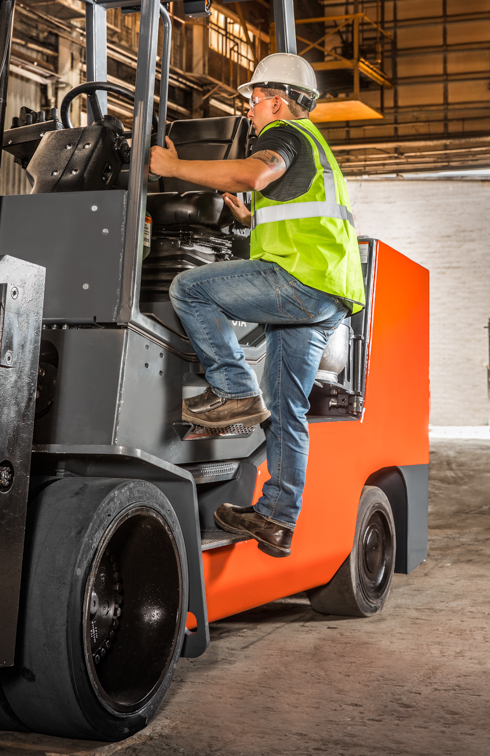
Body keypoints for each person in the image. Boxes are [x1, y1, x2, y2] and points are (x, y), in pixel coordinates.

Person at [149, 53, 365, 559]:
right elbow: (288, 215)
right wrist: (247, 219)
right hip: (327, 295)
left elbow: (251, 174)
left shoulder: (285, 136)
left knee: (189, 289)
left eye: (252, 101)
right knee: (287, 413)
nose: (249, 111)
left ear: (275, 99)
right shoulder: (316, 150)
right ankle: (276, 519)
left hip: (302, 284)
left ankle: (232, 392)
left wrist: (173, 167)